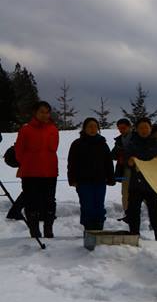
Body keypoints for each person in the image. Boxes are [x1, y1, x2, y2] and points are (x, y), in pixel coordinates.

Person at [14, 101, 59, 239]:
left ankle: (48, 229)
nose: (45, 115)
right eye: (42, 112)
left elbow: (54, 148)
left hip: (50, 172)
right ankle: (34, 230)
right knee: (31, 201)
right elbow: (19, 151)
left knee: (50, 201)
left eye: (47, 112)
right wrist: (28, 163)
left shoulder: (53, 129)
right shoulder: (26, 129)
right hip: (30, 173)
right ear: (35, 113)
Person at [67, 118, 116, 231]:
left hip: (100, 181)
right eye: (90, 126)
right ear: (84, 128)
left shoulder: (102, 144)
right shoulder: (77, 144)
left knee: (99, 206)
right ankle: (89, 231)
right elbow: (71, 163)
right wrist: (72, 179)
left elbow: (108, 163)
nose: (93, 129)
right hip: (83, 182)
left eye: (95, 126)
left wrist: (110, 178)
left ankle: (99, 230)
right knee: (87, 207)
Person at [125, 118, 157, 241]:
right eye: (141, 128)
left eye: (146, 127)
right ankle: (134, 237)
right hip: (136, 184)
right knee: (133, 211)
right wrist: (130, 162)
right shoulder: (132, 144)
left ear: (150, 129)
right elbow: (127, 163)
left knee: (156, 214)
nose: (144, 130)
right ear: (137, 129)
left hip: (153, 184)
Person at [2, 134, 25, 222]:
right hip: (29, 166)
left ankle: (15, 212)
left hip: (27, 166)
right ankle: (14, 212)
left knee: (30, 191)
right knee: (30, 191)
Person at [111, 118, 132, 211]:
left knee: (142, 192)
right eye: (119, 128)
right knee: (125, 192)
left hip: (138, 169)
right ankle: (127, 212)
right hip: (124, 169)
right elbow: (113, 155)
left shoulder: (137, 137)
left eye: (123, 128)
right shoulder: (119, 140)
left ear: (129, 127)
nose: (121, 130)